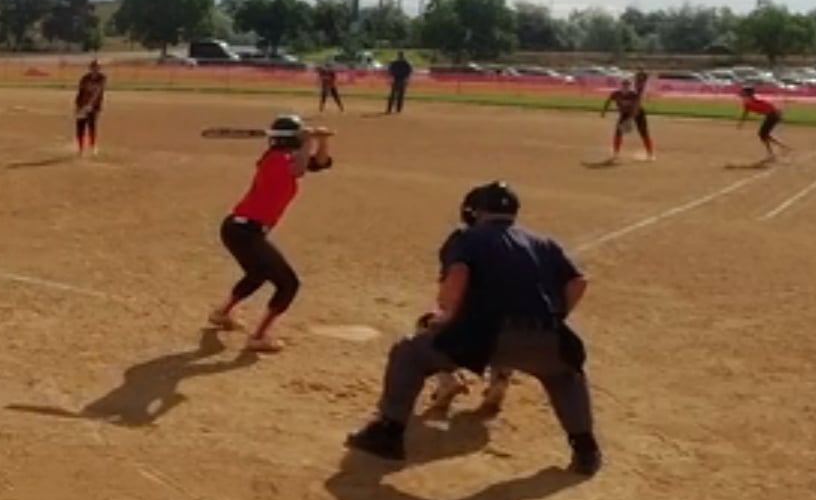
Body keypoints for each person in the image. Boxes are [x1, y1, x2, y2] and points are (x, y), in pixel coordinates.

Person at [346, 181, 600, 474]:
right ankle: (586, 451)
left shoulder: (466, 238)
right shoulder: (544, 242)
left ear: (476, 211)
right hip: (547, 335)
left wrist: (445, 318)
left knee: (410, 353)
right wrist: (555, 318)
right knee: (564, 374)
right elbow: (578, 282)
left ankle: (388, 432)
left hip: (485, 335)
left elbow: (458, 274)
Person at [209, 114, 334, 353]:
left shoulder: (286, 157)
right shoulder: (276, 159)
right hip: (244, 230)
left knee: (257, 274)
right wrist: (308, 139)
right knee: (288, 284)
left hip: (242, 230)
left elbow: (320, 163)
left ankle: (222, 313)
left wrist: (322, 140)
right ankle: (259, 337)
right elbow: (299, 169)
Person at [423, 191, 515, 416]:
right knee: (507, 329)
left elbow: (453, 280)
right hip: (516, 324)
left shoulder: (462, 239)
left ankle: (448, 380)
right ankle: (500, 378)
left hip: (471, 321)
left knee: (427, 326)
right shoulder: (523, 240)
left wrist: (445, 314)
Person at [601, 70, 654, 162]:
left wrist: (631, 119)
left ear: (630, 85)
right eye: (624, 84)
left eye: (627, 84)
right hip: (625, 114)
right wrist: (604, 111)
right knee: (618, 133)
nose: (626, 86)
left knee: (644, 133)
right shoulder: (616, 94)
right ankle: (616, 154)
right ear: (621, 85)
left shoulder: (633, 95)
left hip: (638, 114)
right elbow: (608, 100)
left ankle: (650, 154)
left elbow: (636, 107)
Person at [737, 86, 790, 163]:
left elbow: (767, 106)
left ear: (748, 93)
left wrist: (774, 112)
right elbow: (746, 112)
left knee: (763, 134)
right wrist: (741, 122)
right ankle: (781, 149)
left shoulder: (754, 100)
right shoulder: (748, 101)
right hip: (772, 115)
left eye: (744, 92)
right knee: (763, 135)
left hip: (772, 115)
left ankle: (775, 152)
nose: (742, 93)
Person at [73, 59, 107, 157]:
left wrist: (90, 105)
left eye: (97, 67)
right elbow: (80, 92)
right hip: (82, 105)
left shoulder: (102, 78)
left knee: (92, 126)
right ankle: (80, 148)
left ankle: (93, 146)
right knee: (80, 127)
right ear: (90, 68)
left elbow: (98, 92)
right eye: (93, 67)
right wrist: (78, 106)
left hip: (94, 106)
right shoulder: (84, 78)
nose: (95, 69)